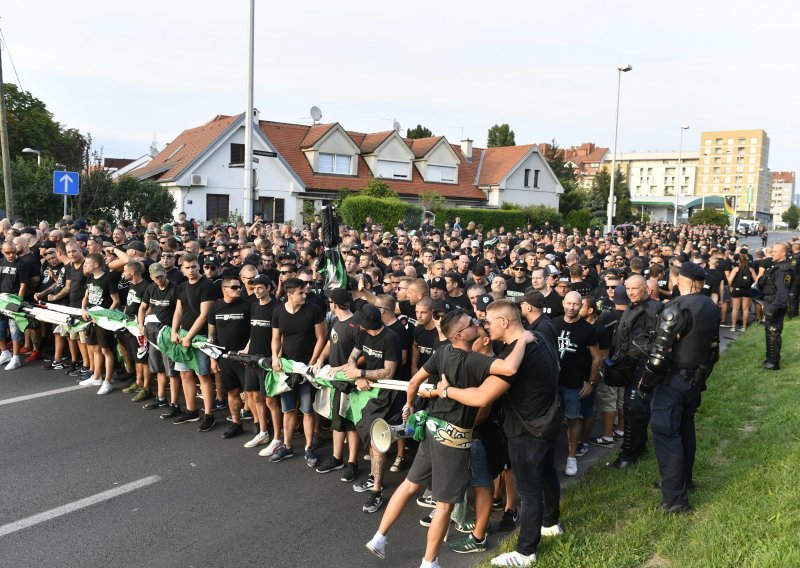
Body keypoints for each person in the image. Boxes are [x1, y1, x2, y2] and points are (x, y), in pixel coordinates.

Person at [366, 308, 532, 565]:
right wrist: (524, 339)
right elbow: (510, 369)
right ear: (459, 334)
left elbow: (414, 382)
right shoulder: (475, 361)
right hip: (454, 439)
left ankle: (379, 537)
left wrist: (408, 407)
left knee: (409, 485)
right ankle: (429, 562)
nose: (476, 323)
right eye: (470, 323)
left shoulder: (442, 351)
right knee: (443, 505)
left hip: (431, 430)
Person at [437, 300, 562, 567]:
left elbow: (482, 396)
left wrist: (446, 390)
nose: (484, 326)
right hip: (549, 421)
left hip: (527, 430)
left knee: (528, 491)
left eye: (488, 322)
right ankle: (551, 523)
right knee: (548, 473)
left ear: (504, 322)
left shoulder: (514, 356)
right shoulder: (538, 336)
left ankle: (525, 552)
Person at [638, 262, 719, 513]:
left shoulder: (677, 308)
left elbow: (660, 355)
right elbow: (713, 349)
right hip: (695, 378)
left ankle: (675, 500)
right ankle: (684, 481)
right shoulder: (711, 306)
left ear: (680, 280)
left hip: (674, 380)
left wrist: (645, 383)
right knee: (685, 429)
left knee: (666, 433)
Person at [269, 277, 326, 465]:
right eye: (301, 293)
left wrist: (313, 361)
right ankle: (287, 446)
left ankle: (309, 447)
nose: (305, 295)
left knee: (308, 410)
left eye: (305, 291)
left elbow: (321, 338)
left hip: (308, 368)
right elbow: (276, 338)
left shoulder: (313, 310)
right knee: (288, 409)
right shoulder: (278, 312)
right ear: (290, 294)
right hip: (287, 367)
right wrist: (276, 357)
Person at [608, 275, 662, 469]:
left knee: (633, 407)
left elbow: (655, 343)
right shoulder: (631, 307)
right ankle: (639, 447)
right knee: (633, 408)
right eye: (628, 289)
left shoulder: (655, 310)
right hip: (628, 365)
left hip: (643, 366)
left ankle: (628, 454)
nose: (630, 292)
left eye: (635, 289)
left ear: (646, 289)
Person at [551, 291, 601, 476]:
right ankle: (550, 457)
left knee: (573, 419)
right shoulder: (553, 324)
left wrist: (591, 382)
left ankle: (571, 457)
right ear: (563, 303)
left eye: (575, 304)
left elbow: (597, 358)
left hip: (574, 384)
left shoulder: (588, 329)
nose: (571, 307)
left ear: (581, 306)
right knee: (552, 421)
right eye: (568, 303)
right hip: (553, 383)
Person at [208, 276, 252, 439]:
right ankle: (236, 423)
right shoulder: (215, 307)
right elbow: (211, 335)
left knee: (251, 393)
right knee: (232, 392)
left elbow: (254, 332)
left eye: (239, 286)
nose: (239, 289)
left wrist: (248, 350)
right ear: (224, 289)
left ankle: (260, 425)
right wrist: (213, 359)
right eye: (234, 287)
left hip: (244, 358)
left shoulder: (247, 305)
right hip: (224, 358)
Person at [759, 242, 793, 370]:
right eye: (772, 251)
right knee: (769, 331)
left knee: (773, 332)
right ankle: (770, 358)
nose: (772, 253)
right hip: (770, 303)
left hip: (775, 305)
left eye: (775, 251)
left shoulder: (784, 270)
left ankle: (773, 362)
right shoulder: (777, 267)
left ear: (783, 253)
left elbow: (782, 293)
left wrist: (772, 310)